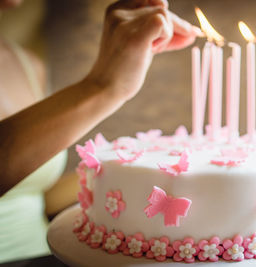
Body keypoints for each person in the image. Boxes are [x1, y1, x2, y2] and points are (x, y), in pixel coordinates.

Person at [0, 0, 201, 263]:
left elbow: (34, 191)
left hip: (50, 256)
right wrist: (103, 86)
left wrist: (131, 172)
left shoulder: (27, 62)